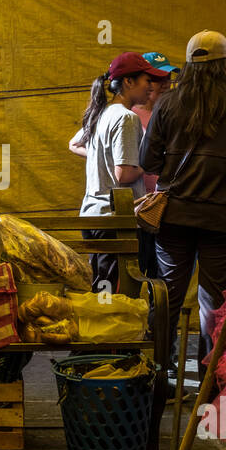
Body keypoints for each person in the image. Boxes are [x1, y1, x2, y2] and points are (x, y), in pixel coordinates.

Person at [139, 30, 226, 360]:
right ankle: (210, 379)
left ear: (187, 67)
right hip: (222, 219)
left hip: (174, 217)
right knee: (214, 301)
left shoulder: (168, 104)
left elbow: (148, 161)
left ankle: (160, 371)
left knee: (168, 295)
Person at [69, 52, 164, 291]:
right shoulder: (127, 118)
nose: (150, 87)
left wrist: (104, 160)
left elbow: (78, 146)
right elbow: (124, 174)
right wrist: (153, 161)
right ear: (128, 82)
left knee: (103, 291)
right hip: (116, 220)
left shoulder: (101, 113)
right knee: (119, 295)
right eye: (146, 80)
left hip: (93, 216)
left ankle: (103, 329)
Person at [131, 51, 179, 276]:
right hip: (140, 207)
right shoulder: (128, 115)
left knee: (165, 274)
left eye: (168, 78)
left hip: (167, 205)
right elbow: (78, 143)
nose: (167, 84)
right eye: (160, 79)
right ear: (146, 82)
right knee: (139, 270)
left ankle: (162, 311)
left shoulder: (173, 112)